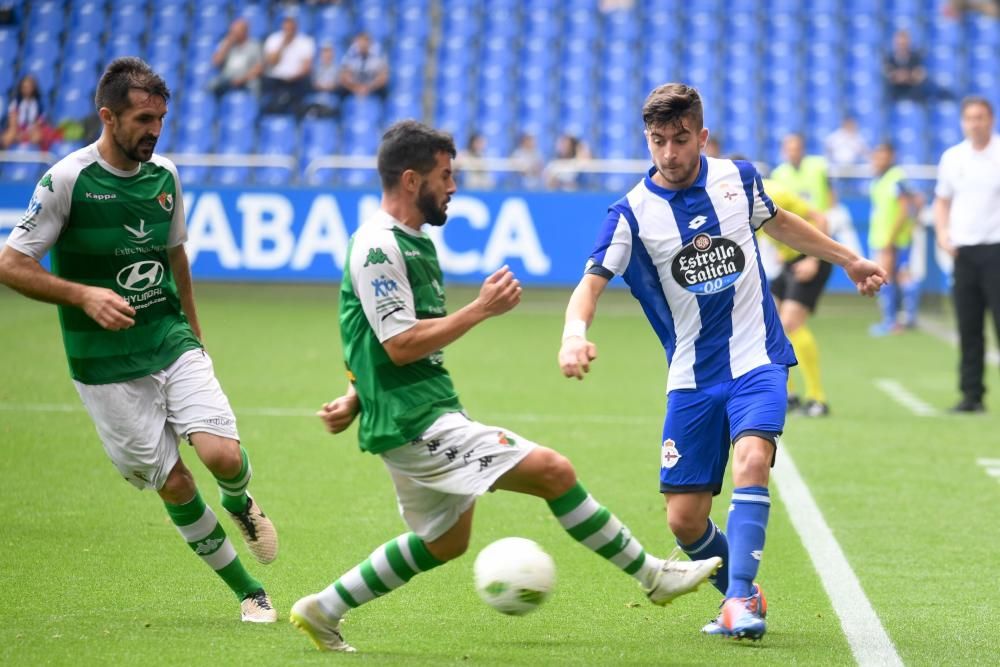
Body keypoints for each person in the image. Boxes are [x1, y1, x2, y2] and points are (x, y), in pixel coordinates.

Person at [288, 120, 722, 653]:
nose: (453, 187)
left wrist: (357, 396)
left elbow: (371, 335)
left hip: (416, 408)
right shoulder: (378, 248)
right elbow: (399, 344)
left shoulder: (411, 240)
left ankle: (324, 608)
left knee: (447, 541)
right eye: (445, 176)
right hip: (413, 418)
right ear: (410, 180)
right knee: (554, 472)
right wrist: (480, 310)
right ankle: (653, 577)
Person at [557, 84, 886, 640]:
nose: (669, 153)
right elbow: (590, 285)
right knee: (684, 521)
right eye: (658, 141)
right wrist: (572, 333)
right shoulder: (631, 214)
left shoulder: (739, 178)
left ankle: (737, 602)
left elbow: (779, 222)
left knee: (752, 460)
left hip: (757, 356)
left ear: (701, 136)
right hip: (690, 378)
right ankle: (742, 589)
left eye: (680, 140)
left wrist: (849, 259)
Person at [0, 57, 278, 622]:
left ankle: (239, 501)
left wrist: (196, 337)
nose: (154, 130)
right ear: (108, 116)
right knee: (174, 484)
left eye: (161, 119)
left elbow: (176, 256)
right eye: (144, 119)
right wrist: (83, 295)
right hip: (102, 363)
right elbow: (11, 264)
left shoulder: (166, 176)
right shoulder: (67, 181)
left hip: (168, 337)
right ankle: (250, 592)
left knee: (222, 455)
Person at [933, 96, 1000, 413]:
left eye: (981, 117)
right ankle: (972, 396)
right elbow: (942, 201)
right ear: (963, 122)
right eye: (970, 118)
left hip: (996, 249)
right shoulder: (952, 158)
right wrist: (943, 234)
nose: (976, 123)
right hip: (964, 252)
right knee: (969, 327)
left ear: (991, 119)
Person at [761, 177, 833, 416]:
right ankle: (789, 395)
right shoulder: (736, 203)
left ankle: (817, 399)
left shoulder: (774, 193)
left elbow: (820, 218)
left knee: (791, 323)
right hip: (790, 262)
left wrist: (814, 258)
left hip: (810, 259)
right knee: (770, 325)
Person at [868, 142, 921, 336]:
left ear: (891, 156)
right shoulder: (878, 179)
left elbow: (905, 209)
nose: (878, 159)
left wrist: (891, 236)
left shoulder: (896, 178)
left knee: (888, 277)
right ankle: (907, 317)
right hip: (882, 237)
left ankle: (892, 321)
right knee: (900, 275)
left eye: (883, 155)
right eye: (876, 155)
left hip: (892, 239)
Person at [262, 13, 316, 115]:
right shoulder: (273, 39)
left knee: (305, 82)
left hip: (297, 79)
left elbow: (307, 66)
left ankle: (299, 113)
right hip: (277, 79)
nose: (289, 29)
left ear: (296, 26)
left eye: (292, 26)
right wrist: (283, 44)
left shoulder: (306, 41)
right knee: (267, 82)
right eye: (287, 26)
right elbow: (272, 62)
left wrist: (295, 76)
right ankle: (271, 112)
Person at [207, 17, 264, 98]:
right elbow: (216, 63)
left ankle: (252, 107)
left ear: (245, 31)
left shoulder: (254, 46)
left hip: (246, 79)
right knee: (212, 84)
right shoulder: (225, 43)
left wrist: (243, 79)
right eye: (232, 31)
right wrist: (227, 45)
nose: (234, 34)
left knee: (254, 84)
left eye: (237, 31)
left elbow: (258, 68)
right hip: (227, 78)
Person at [2, 74, 55, 149]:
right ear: (21, 88)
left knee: (38, 136)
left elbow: (39, 121)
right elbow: (12, 119)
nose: (27, 89)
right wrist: (17, 131)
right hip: (18, 128)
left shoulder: (38, 103)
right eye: (24, 87)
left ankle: (35, 157)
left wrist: (30, 130)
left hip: (32, 128)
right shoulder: (16, 102)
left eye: (29, 87)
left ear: (33, 88)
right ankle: (5, 158)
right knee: (8, 136)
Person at [336, 31, 389, 101]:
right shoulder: (349, 55)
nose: (363, 45)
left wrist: (369, 87)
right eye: (360, 42)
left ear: (370, 43)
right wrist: (355, 88)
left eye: (365, 42)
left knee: (384, 91)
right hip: (354, 87)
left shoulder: (379, 55)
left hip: (372, 88)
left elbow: (383, 77)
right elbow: (344, 76)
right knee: (341, 90)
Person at [884, 29, 928, 103]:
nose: (901, 46)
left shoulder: (916, 58)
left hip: (913, 97)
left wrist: (905, 76)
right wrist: (907, 76)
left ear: (908, 43)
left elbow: (920, 75)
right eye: (899, 44)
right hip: (894, 97)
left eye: (904, 43)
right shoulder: (889, 59)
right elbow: (888, 74)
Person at [304, 41, 340, 118]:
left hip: (331, 95)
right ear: (321, 54)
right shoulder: (315, 68)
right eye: (325, 52)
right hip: (317, 95)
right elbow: (313, 82)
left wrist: (331, 86)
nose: (327, 55)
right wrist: (319, 86)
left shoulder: (338, 69)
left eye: (329, 52)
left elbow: (337, 83)